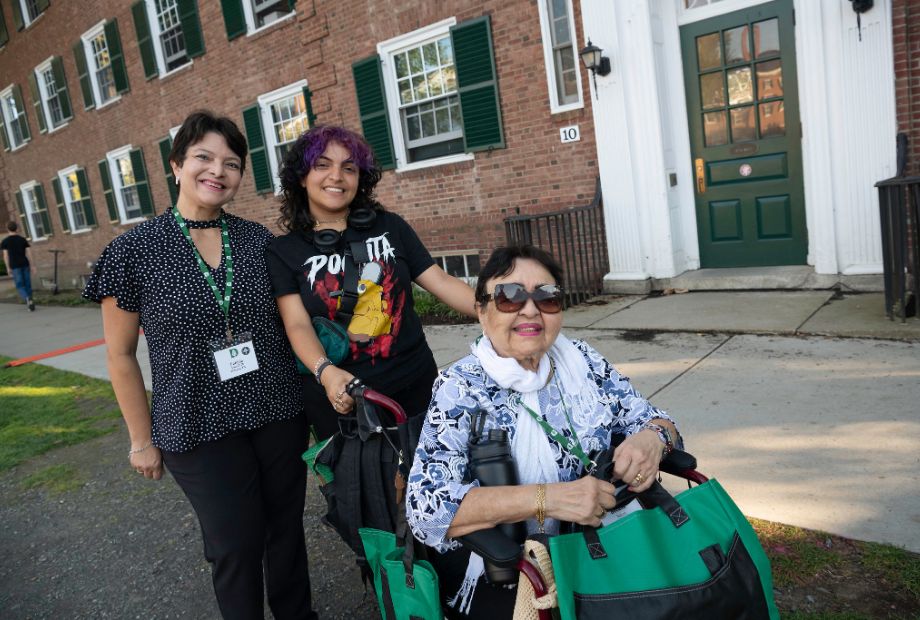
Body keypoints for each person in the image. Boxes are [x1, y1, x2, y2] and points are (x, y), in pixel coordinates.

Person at [83, 110, 317, 620]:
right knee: (234, 543)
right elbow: (120, 354)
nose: (218, 171)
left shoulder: (258, 241)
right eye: (204, 158)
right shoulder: (133, 251)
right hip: (195, 420)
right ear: (176, 165)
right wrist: (140, 439)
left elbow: (296, 321)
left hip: (275, 408)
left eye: (231, 163)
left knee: (286, 531)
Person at [406, 245, 683, 619]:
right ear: (481, 312)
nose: (531, 309)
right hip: (505, 564)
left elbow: (658, 421)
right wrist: (547, 499)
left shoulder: (582, 360)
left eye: (547, 297)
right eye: (509, 296)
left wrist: (653, 438)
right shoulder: (460, 387)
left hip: (601, 537)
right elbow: (426, 507)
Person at [265, 124, 477, 441]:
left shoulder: (391, 226)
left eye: (348, 168)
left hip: (416, 384)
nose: (336, 176)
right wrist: (326, 372)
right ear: (302, 175)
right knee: (364, 489)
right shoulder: (284, 251)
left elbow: (441, 281)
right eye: (322, 165)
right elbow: (296, 324)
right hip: (345, 400)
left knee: (433, 479)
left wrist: (499, 314)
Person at [2, 221, 36, 311]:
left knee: (19, 285)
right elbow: (29, 252)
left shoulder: (5, 242)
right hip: (25, 264)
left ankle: (26, 298)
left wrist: (8, 267)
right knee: (27, 284)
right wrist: (32, 265)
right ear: (16, 228)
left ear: (7, 229)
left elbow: (5, 256)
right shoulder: (22, 239)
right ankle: (30, 303)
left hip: (15, 266)